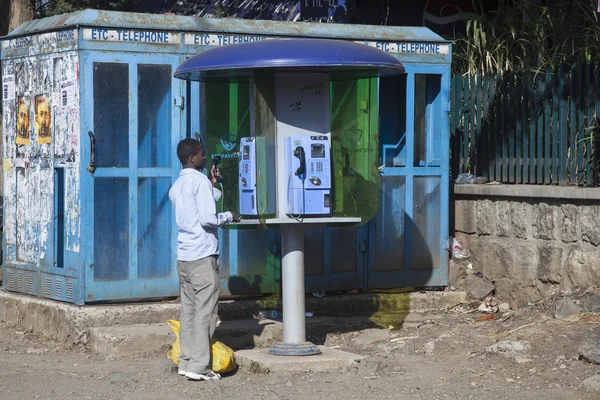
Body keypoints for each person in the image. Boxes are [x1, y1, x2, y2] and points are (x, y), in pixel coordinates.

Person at [168, 138, 240, 381]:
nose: (205, 157)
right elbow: (208, 218)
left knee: (188, 312)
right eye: (201, 154)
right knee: (205, 313)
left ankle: (185, 362)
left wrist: (213, 184)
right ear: (192, 158)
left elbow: (197, 206)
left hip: (184, 258)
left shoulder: (177, 185)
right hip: (202, 256)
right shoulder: (199, 182)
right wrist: (229, 215)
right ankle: (199, 367)